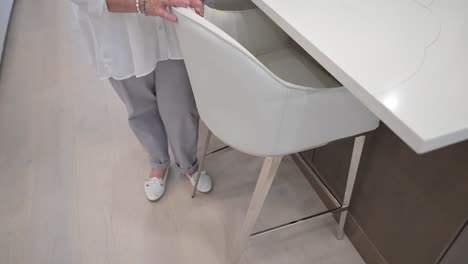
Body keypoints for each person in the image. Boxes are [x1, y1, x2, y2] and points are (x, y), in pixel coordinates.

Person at [70, 0, 212, 201]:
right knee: (140, 109)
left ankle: (189, 163)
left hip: (169, 24)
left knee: (181, 106)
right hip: (119, 36)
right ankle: (159, 163)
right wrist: (142, 4)